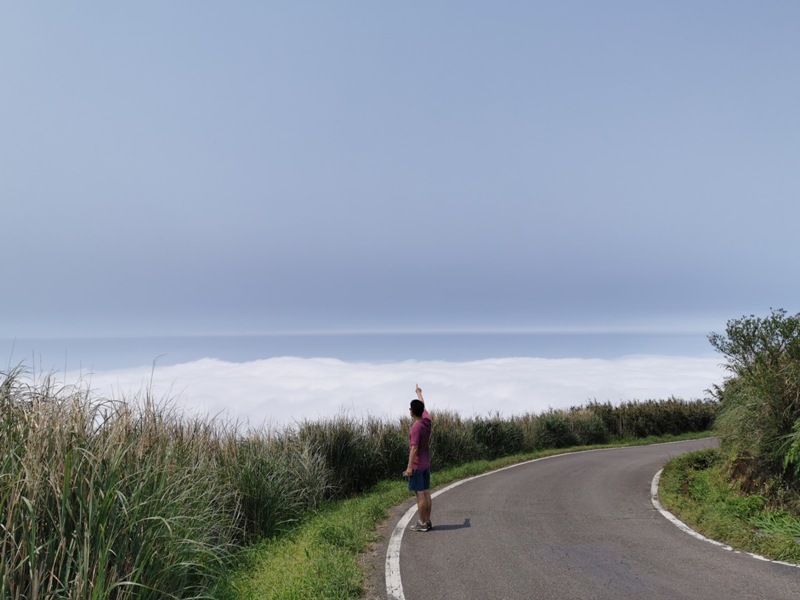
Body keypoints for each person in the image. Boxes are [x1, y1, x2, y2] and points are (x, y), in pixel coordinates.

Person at [405, 384, 432, 532]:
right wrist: (419, 393)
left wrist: (409, 467)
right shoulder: (427, 422)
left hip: (417, 465)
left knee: (420, 494)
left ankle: (422, 523)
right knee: (427, 492)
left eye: (410, 408)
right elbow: (424, 407)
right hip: (426, 463)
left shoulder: (416, 428)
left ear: (412, 412)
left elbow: (414, 448)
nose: (409, 410)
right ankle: (427, 521)